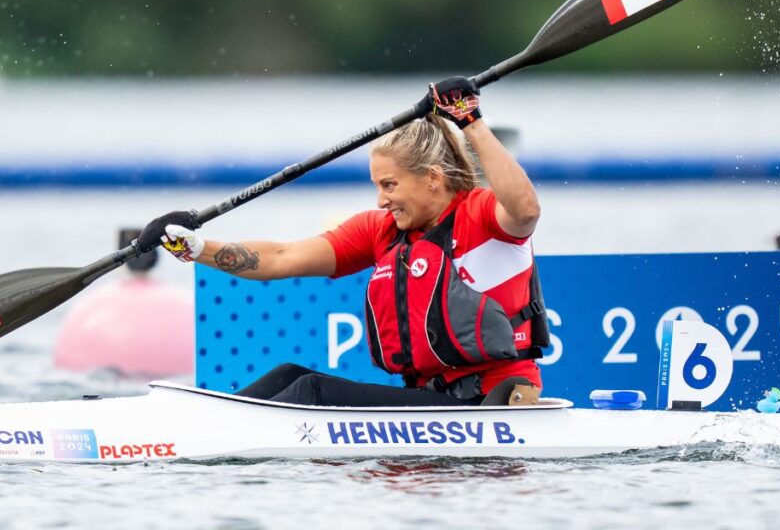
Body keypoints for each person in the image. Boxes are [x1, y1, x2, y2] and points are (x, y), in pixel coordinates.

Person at [136, 77, 550, 407]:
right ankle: (201, 425)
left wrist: (470, 121)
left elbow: (526, 210)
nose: (381, 200)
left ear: (432, 178)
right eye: (377, 186)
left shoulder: (482, 215)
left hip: (493, 403)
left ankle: (204, 435)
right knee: (288, 375)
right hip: (433, 401)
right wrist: (193, 248)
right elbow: (280, 258)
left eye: (389, 185)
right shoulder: (381, 231)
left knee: (313, 391)